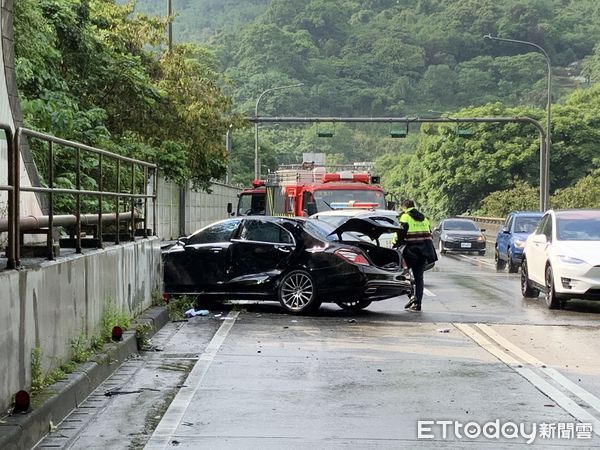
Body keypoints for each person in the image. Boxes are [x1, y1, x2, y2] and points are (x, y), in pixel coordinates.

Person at [392, 199, 437, 311]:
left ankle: (412, 296)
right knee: (419, 278)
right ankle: (418, 304)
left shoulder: (405, 217)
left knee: (404, 275)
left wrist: (394, 244)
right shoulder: (425, 218)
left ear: (404, 207)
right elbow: (429, 234)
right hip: (424, 252)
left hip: (410, 251)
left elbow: (400, 234)